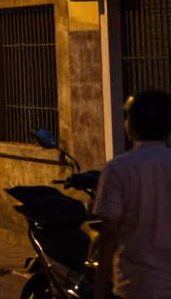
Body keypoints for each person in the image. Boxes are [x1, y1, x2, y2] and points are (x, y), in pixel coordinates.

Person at [94, 90, 171, 299]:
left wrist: (99, 287)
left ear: (132, 124)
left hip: (136, 285)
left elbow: (109, 233)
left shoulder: (119, 169)